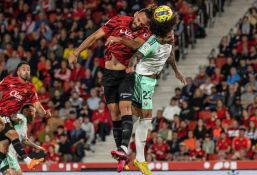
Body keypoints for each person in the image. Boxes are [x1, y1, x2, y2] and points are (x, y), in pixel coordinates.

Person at [68, 8, 153, 171]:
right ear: (136, 14)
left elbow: (135, 44)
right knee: (113, 113)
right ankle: (121, 156)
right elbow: (94, 36)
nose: (139, 23)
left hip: (126, 73)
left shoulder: (145, 33)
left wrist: (119, 39)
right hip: (108, 74)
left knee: (125, 108)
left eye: (143, 23)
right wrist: (77, 52)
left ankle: (122, 148)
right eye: (139, 19)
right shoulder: (117, 20)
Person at [125, 11, 185, 175]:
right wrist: (131, 66)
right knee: (146, 118)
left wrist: (176, 72)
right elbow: (136, 56)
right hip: (142, 79)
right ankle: (140, 159)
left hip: (150, 82)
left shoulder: (169, 39)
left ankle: (124, 150)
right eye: (170, 30)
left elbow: (170, 55)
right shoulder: (151, 42)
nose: (173, 33)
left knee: (137, 117)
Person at [0, 62, 51, 170]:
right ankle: (29, 162)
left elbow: (37, 104)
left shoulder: (30, 87)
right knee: (13, 135)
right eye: (23, 69)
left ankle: (3, 169)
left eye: (28, 69)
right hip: (1, 112)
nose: (26, 71)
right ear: (18, 72)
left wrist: (45, 113)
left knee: (4, 146)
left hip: (9, 117)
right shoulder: (9, 79)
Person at [0, 104, 46, 175]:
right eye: (33, 111)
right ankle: (29, 162)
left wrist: (37, 147)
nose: (34, 114)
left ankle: (29, 162)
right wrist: (15, 119)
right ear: (25, 111)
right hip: (9, 152)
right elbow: (12, 117)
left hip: (11, 152)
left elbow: (25, 140)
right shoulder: (22, 117)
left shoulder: (24, 124)